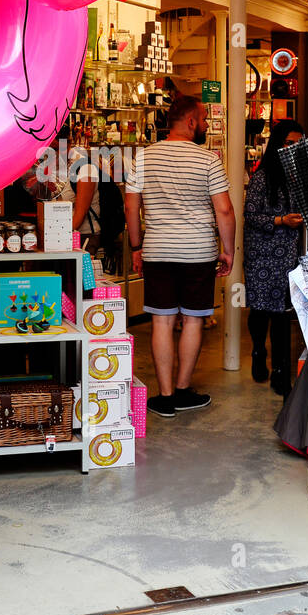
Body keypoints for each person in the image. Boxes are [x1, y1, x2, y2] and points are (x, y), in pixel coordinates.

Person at [124, 93, 235, 418]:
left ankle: (165, 396)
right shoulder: (208, 160)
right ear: (189, 121)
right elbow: (224, 210)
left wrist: (136, 246)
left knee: (161, 320)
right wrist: (228, 251)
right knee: (193, 320)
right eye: (202, 119)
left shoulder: (143, 158)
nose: (204, 125)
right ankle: (184, 390)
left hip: (158, 249)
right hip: (198, 250)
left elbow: (131, 205)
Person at [243, 119, 305, 397]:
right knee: (260, 308)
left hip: (288, 252)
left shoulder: (301, 175)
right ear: (279, 143)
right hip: (262, 251)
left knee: (282, 312)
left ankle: (281, 373)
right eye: (290, 143)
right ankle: (258, 349)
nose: (294, 149)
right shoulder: (262, 176)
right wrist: (281, 220)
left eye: (299, 144)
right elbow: (251, 215)